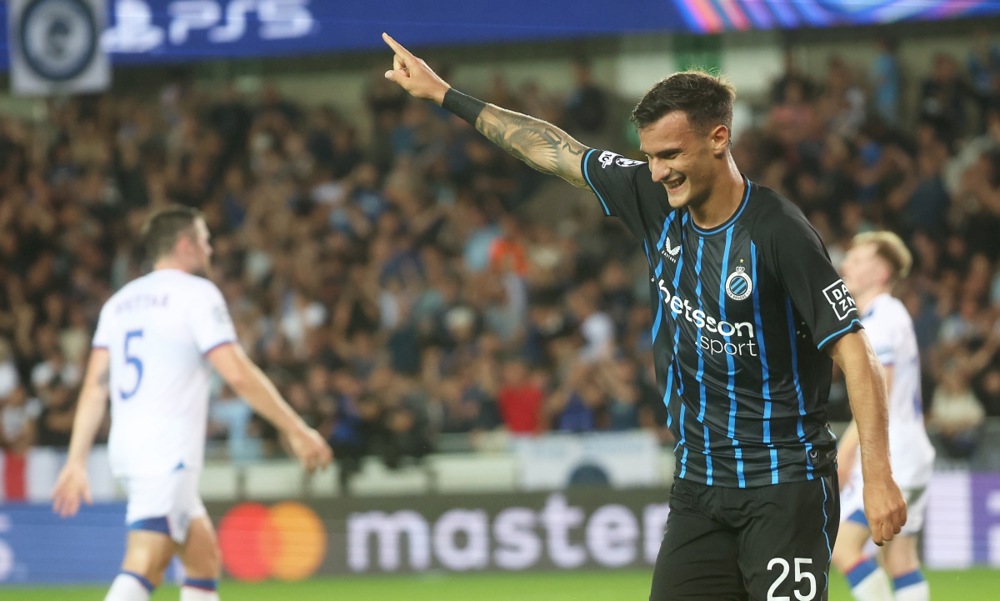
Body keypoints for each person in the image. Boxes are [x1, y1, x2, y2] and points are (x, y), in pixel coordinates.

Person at [381, 32, 906, 600]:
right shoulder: (652, 199)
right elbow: (554, 149)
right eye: (650, 156)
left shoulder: (779, 232)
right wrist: (444, 94)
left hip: (784, 486)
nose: (656, 172)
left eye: (670, 155)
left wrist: (877, 475)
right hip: (699, 486)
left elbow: (857, 353)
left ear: (719, 138)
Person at [51, 206, 332, 601]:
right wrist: (296, 429)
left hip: (129, 450)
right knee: (145, 563)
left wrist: (76, 459)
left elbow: (96, 388)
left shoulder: (118, 303)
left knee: (202, 559)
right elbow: (236, 373)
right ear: (185, 245)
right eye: (205, 240)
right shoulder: (196, 294)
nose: (210, 249)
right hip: (167, 452)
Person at [833, 232, 936, 601]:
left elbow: (879, 396)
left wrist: (846, 454)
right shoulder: (893, 315)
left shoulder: (880, 320)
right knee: (900, 559)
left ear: (881, 273)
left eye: (858, 260)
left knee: (843, 546)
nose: (846, 265)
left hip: (894, 457)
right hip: (913, 453)